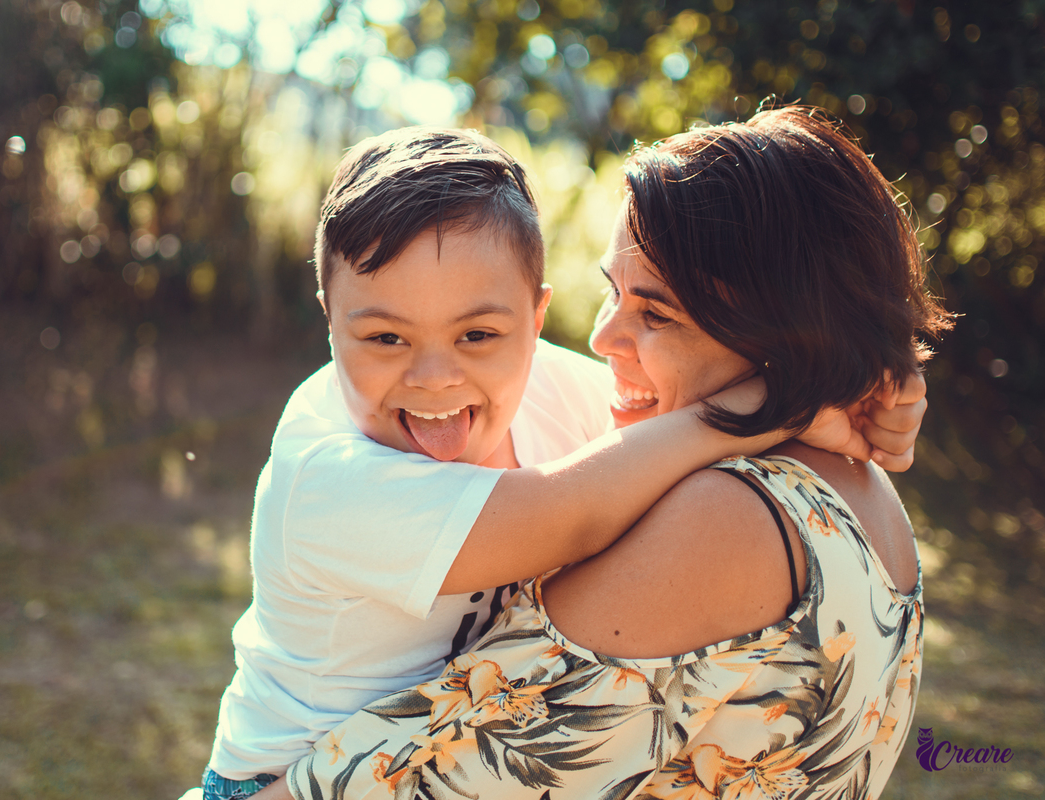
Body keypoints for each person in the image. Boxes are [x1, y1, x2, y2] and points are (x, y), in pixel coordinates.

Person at [195, 126, 926, 799]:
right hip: (270, 772)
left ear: (533, 321)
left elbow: (620, 455)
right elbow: (571, 512)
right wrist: (782, 401)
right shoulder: (327, 477)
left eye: (656, 312)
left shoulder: (558, 396)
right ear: (328, 317)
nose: (435, 377)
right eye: (386, 338)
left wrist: (833, 388)